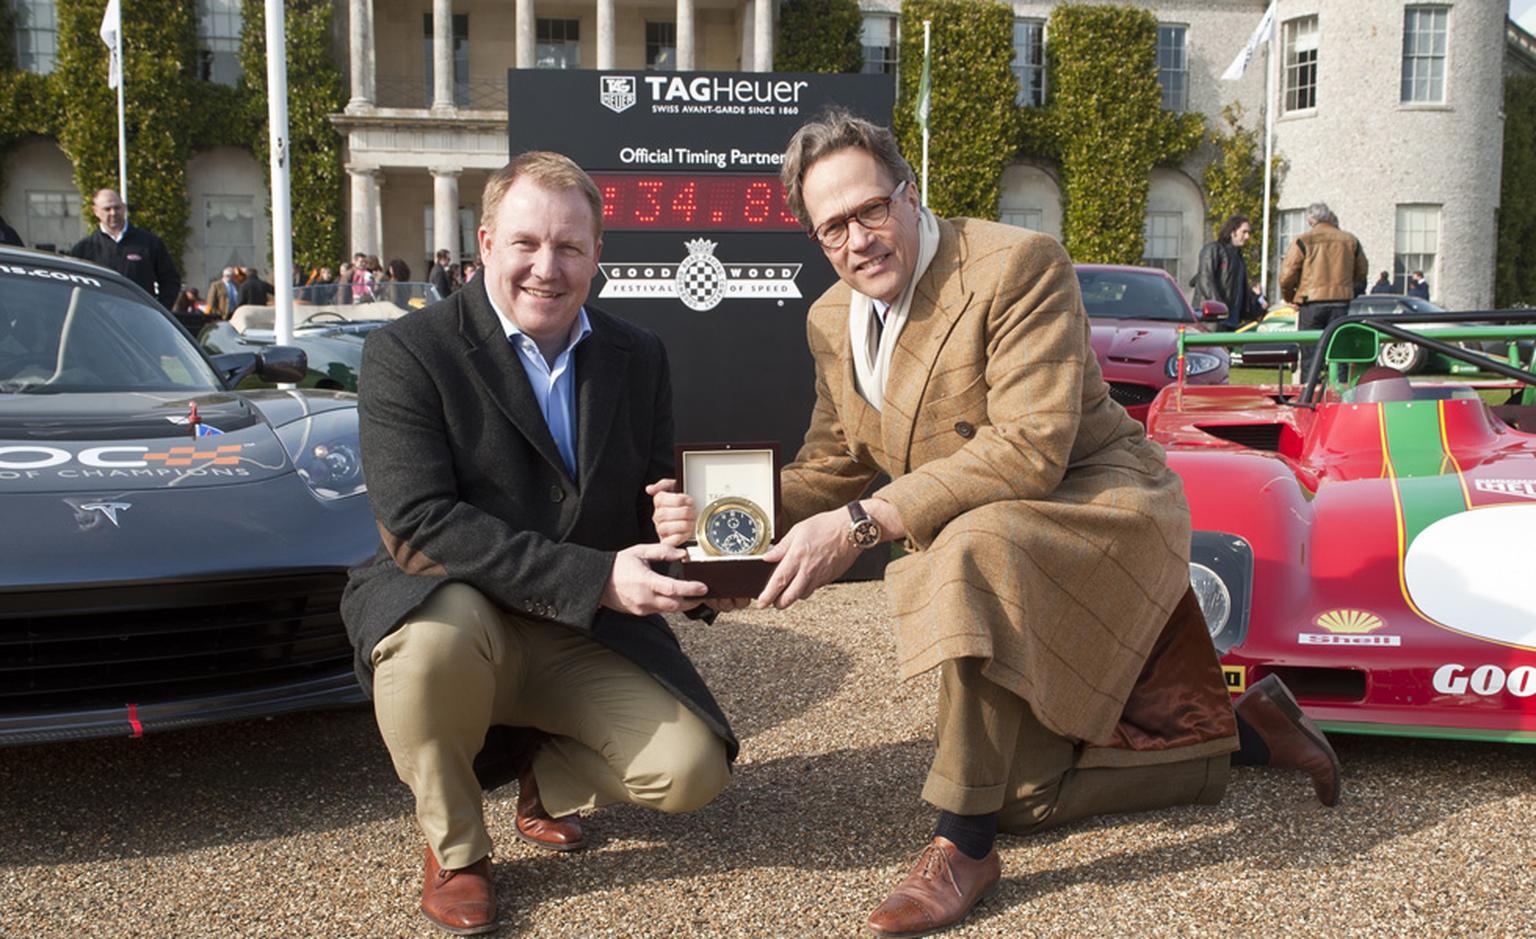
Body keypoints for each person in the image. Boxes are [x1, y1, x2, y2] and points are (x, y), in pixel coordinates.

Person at [654, 111, 1342, 938]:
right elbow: (830, 465)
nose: (858, 238)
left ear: (909, 192)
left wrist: (866, 522)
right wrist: (723, 516)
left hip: (1100, 503)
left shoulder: (1016, 264)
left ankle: (961, 844)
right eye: (832, 226)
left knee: (970, 549)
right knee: (1024, 793)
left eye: (871, 208)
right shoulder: (831, 319)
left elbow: (1029, 447)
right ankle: (1243, 734)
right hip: (987, 522)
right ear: (815, 236)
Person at [341, 151, 735, 936]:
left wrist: (671, 528)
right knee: (425, 653)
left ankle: (545, 779)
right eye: (526, 243)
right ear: (485, 243)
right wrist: (596, 578)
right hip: (458, 612)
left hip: (575, 629)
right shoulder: (409, 353)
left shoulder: (639, 355)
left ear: (598, 256)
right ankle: (456, 849)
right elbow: (419, 521)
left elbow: (646, 495)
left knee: (693, 769)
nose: (546, 268)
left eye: (569, 247)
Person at [1279, 202, 1367, 374]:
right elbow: (1362, 271)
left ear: (1310, 220)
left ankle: (1309, 393)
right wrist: (1349, 289)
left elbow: (1287, 275)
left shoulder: (1303, 241)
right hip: (1341, 302)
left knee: (1310, 355)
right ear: (1328, 217)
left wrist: (1290, 297)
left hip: (1311, 302)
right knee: (1339, 352)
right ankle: (1340, 392)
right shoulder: (1350, 240)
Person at [67, 189, 180, 309]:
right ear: (95, 211)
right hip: (98, 322)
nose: (113, 213)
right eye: (107, 209)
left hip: (139, 320)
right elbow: (71, 288)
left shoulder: (149, 243)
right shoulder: (84, 249)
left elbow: (170, 280)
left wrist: (158, 311)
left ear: (124, 208)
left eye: (117, 208)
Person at [1191, 214, 1258, 330]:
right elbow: (1205, 280)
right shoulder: (1214, 250)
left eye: (1249, 233)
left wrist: (1257, 305)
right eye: (1244, 232)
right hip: (1210, 320)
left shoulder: (1239, 258)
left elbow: (1240, 290)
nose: (1247, 237)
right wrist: (1219, 309)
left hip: (1232, 321)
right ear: (1233, 232)